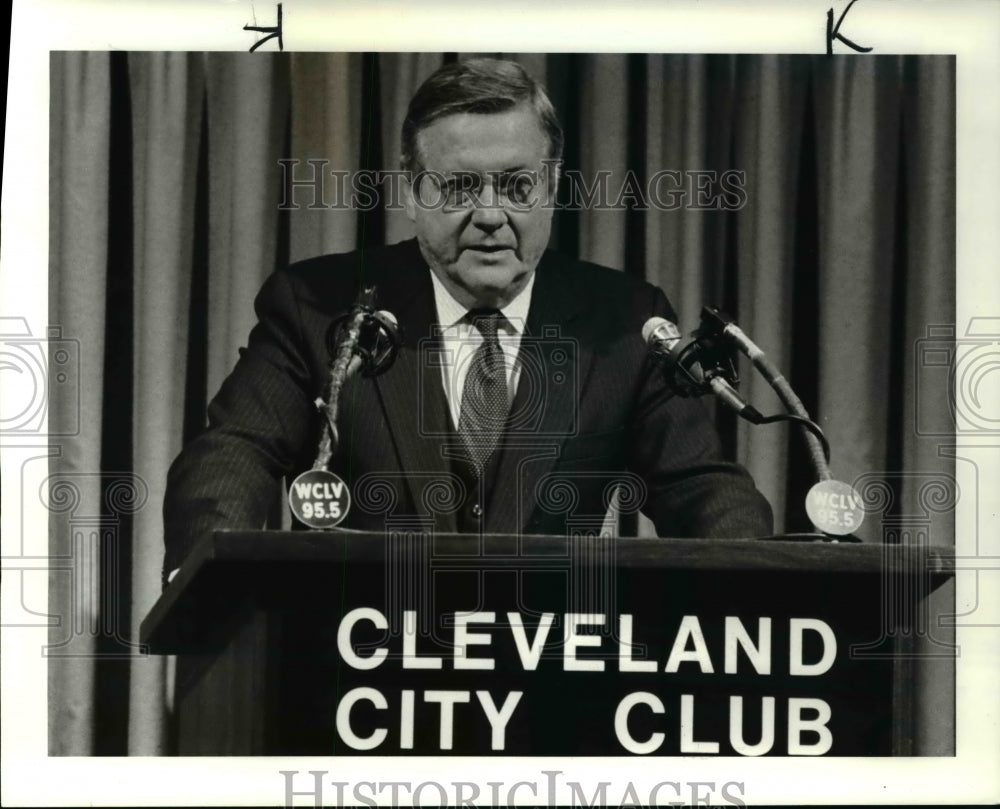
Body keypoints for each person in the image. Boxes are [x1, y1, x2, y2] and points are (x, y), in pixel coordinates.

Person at [162, 58, 772, 584]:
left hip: (556, 675)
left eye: (515, 185)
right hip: (363, 671)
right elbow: (231, 457)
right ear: (411, 192)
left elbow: (702, 488)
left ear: (552, 186)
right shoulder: (318, 305)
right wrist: (215, 585)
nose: (488, 213)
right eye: (457, 186)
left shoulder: (625, 322)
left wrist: (755, 591)